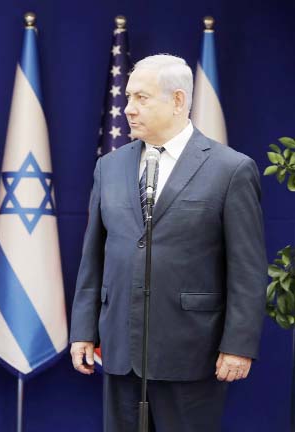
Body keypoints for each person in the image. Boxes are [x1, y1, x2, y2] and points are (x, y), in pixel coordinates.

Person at [69, 54, 266, 432]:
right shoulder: (108, 167)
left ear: (178, 100)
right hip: (120, 349)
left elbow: (247, 268)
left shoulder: (231, 169)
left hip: (191, 351)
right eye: (128, 97)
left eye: (141, 98)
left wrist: (239, 344)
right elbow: (93, 257)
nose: (128, 109)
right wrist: (83, 330)